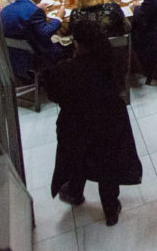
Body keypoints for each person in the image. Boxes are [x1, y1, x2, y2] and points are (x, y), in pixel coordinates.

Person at [43, 19, 142, 226]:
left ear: (77, 43)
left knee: (77, 158)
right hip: (110, 120)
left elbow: (54, 92)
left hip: (76, 124)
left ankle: (75, 192)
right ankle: (110, 208)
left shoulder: (65, 70)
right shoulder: (114, 61)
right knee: (108, 164)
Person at [0, 0, 64, 79]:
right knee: (67, 43)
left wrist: (35, 8)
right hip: (34, 59)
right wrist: (59, 17)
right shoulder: (35, 12)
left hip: (11, 58)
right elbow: (46, 33)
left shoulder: (6, 9)